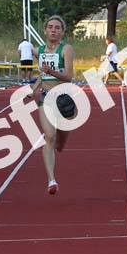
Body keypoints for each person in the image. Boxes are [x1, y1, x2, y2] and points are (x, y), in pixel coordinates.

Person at [32, 16, 76, 195]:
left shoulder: (66, 49)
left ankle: (60, 144)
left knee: (60, 144)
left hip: (63, 97)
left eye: (57, 27)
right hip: (45, 97)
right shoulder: (38, 50)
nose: (53, 30)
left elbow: (68, 76)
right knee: (49, 137)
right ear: (44, 30)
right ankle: (51, 180)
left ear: (62, 32)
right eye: (50, 27)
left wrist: (50, 70)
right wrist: (33, 88)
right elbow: (42, 75)